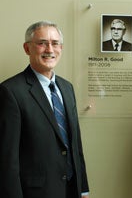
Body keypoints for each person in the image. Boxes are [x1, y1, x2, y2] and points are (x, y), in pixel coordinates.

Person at [0, 21, 89, 198]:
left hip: (71, 190)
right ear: (27, 48)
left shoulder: (67, 88)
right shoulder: (10, 91)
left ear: (61, 48)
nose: (49, 49)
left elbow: (75, 145)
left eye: (55, 43)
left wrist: (83, 189)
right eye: (42, 43)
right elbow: (7, 159)